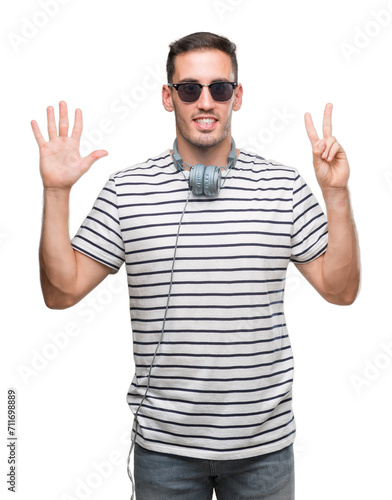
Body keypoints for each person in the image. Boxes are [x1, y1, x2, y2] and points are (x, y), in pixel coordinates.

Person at [31, 32, 360, 500]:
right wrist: (56, 192)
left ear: (237, 96)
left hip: (264, 451)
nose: (205, 101)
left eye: (219, 89)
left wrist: (336, 194)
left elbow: (341, 289)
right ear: (169, 97)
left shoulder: (283, 186)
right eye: (189, 89)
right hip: (164, 452)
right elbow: (60, 293)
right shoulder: (128, 191)